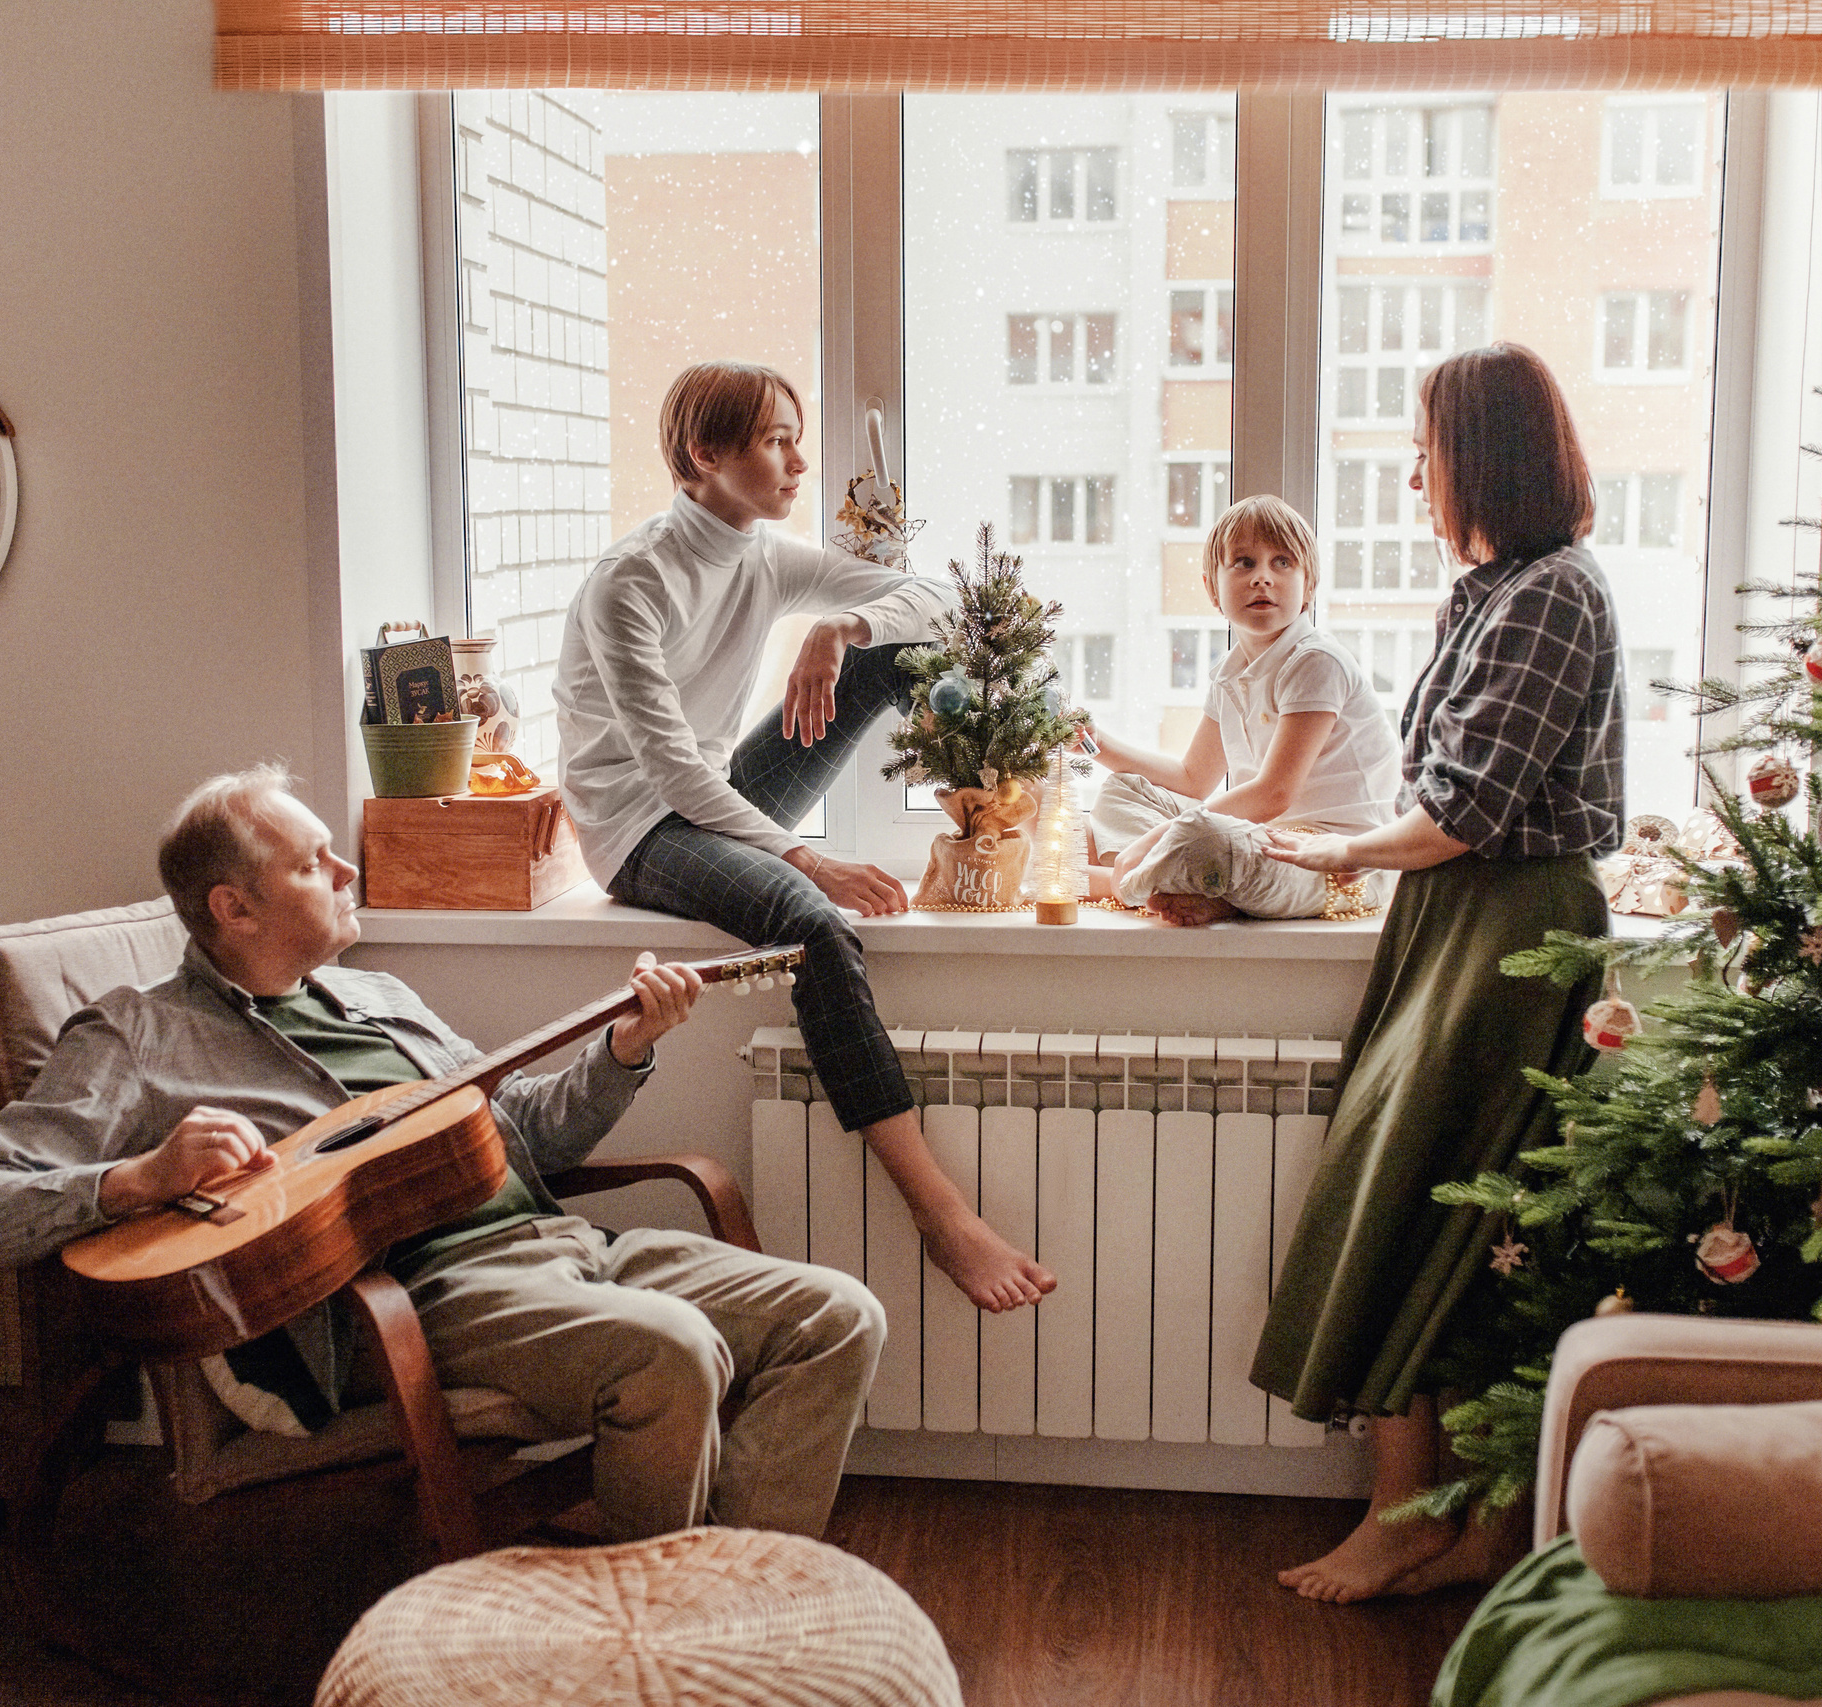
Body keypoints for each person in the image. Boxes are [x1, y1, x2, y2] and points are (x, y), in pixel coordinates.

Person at [0, 764, 887, 1543]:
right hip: (413, 1298)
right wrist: (139, 1178)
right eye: (314, 863)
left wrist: (623, 1050)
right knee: (670, 1353)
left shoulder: (380, 996)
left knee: (839, 1315)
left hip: (565, 1247)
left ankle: (718, 1603)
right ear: (235, 906)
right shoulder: (137, 1038)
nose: (347, 872)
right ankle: (646, 1647)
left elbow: (523, 1136)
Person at [552, 360, 1054, 1314]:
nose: (796, 463)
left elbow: (934, 601)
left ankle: (1029, 831)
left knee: (892, 647)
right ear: (706, 453)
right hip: (640, 828)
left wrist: (841, 625)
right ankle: (939, 1207)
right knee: (812, 919)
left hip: (717, 797)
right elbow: (670, 775)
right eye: (777, 440)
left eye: (796, 438)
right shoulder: (631, 582)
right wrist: (807, 857)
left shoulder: (762, 556)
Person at [1248, 344, 1624, 1602]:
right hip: (1452, 917)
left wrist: (1338, 848)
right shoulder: (1491, 590)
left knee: (1419, 1206)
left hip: (1508, 925)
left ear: (1484, 456)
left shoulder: (1552, 595)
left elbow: (1463, 808)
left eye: (1427, 450)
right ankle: (1450, 1526)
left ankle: (1420, 1522)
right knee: (1418, 1206)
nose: (1412, 476)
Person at [1079, 495, 1401, 925]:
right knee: (1126, 788)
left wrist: (1160, 837)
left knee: (1202, 837)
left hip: (1337, 862)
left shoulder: (1315, 661)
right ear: (1213, 587)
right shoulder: (1229, 675)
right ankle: (1176, 884)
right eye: (1244, 563)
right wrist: (1098, 745)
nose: (1262, 578)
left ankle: (1120, 882)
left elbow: (1273, 794)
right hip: (1262, 842)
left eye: (1282, 562)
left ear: (1309, 585)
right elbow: (1193, 779)